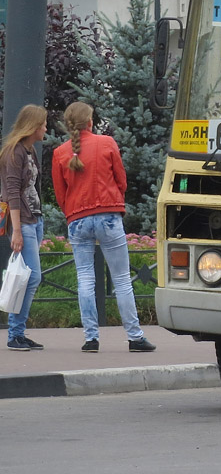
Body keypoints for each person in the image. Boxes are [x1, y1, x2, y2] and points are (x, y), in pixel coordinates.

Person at [51, 102, 157, 352]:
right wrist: (114, 201)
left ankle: (91, 338)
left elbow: (60, 194)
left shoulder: (60, 153)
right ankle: (134, 337)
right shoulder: (107, 143)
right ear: (90, 121)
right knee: (121, 279)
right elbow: (121, 180)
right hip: (107, 214)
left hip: (77, 218)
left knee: (84, 278)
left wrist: (72, 213)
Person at [2, 105, 48, 351]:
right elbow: (12, 193)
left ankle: (18, 332)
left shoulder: (30, 151)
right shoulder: (14, 153)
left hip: (35, 220)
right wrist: (17, 230)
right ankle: (14, 334)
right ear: (32, 126)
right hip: (23, 222)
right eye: (43, 124)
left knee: (26, 277)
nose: (46, 128)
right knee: (30, 277)